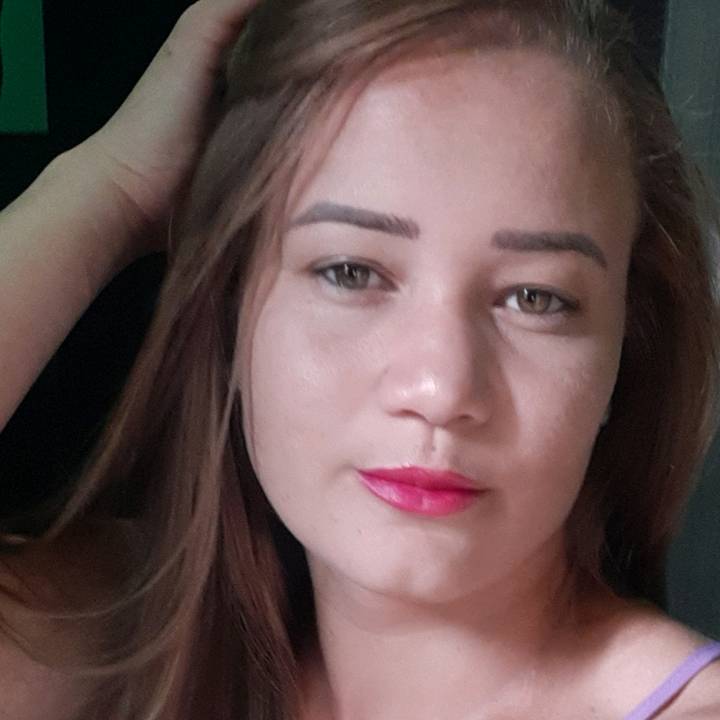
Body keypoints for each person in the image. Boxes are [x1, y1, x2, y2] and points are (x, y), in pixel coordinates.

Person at [0, 0, 719, 718]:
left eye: (535, 298)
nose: (439, 388)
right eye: (351, 273)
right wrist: (113, 184)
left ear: (625, 348)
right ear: (229, 305)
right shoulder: (116, 651)